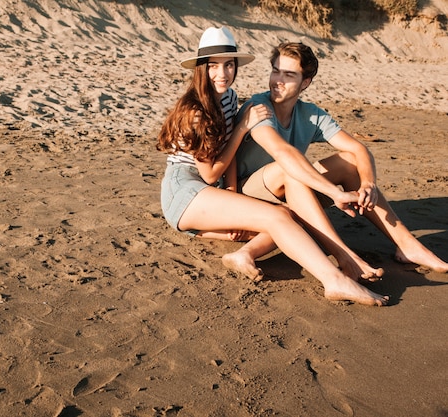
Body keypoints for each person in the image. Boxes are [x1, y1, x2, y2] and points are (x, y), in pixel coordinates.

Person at [157, 27, 389, 306]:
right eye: (213, 66)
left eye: (229, 65)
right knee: (277, 219)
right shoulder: (196, 110)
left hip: (213, 190)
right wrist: (243, 127)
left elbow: (228, 157)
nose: (222, 74)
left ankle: (241, 252)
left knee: (289, 216)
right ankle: (334, 280)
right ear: (201, 69)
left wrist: (233, 197)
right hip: (186, 189)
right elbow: (209, 173)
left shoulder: (229, 97)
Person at [225, 41, 448, 279]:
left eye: (288, 74)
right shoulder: (258, 107)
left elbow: (358, 149)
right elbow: (282, 152)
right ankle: (345, 256)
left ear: (305, 82)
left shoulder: (309, 113)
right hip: (248, 195)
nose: (277, 80)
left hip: (288, 188)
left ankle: (407, 245)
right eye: (275, 71)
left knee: (348, 161)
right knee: (288, 167)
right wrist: (334, 193)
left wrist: (368, 184)